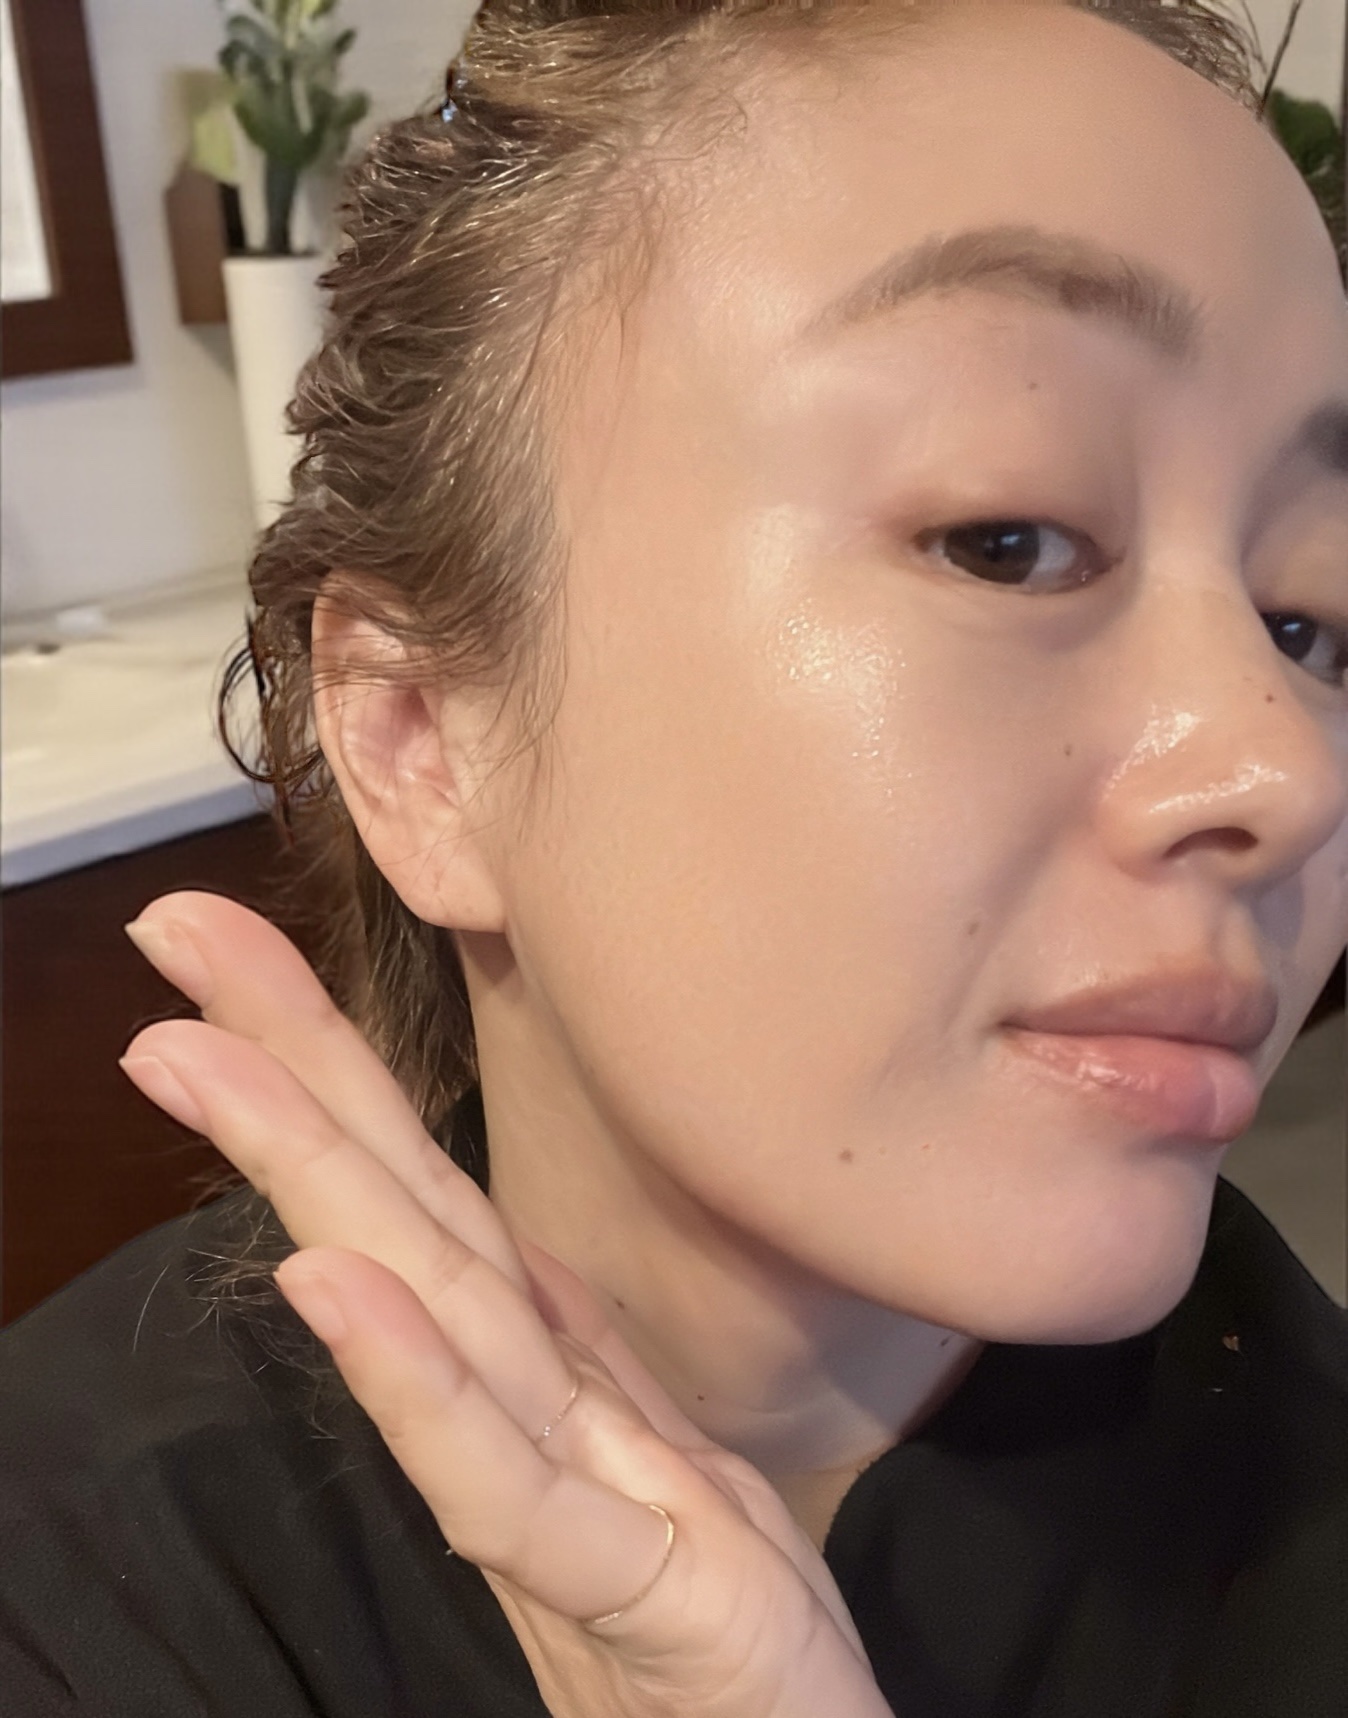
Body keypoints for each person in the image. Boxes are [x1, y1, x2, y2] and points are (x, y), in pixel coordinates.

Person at [3, 0, 1346, 1712]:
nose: (1284, 763)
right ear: (424, 738)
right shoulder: (85, 1602)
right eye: (1006, 539)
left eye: (1311, 618)